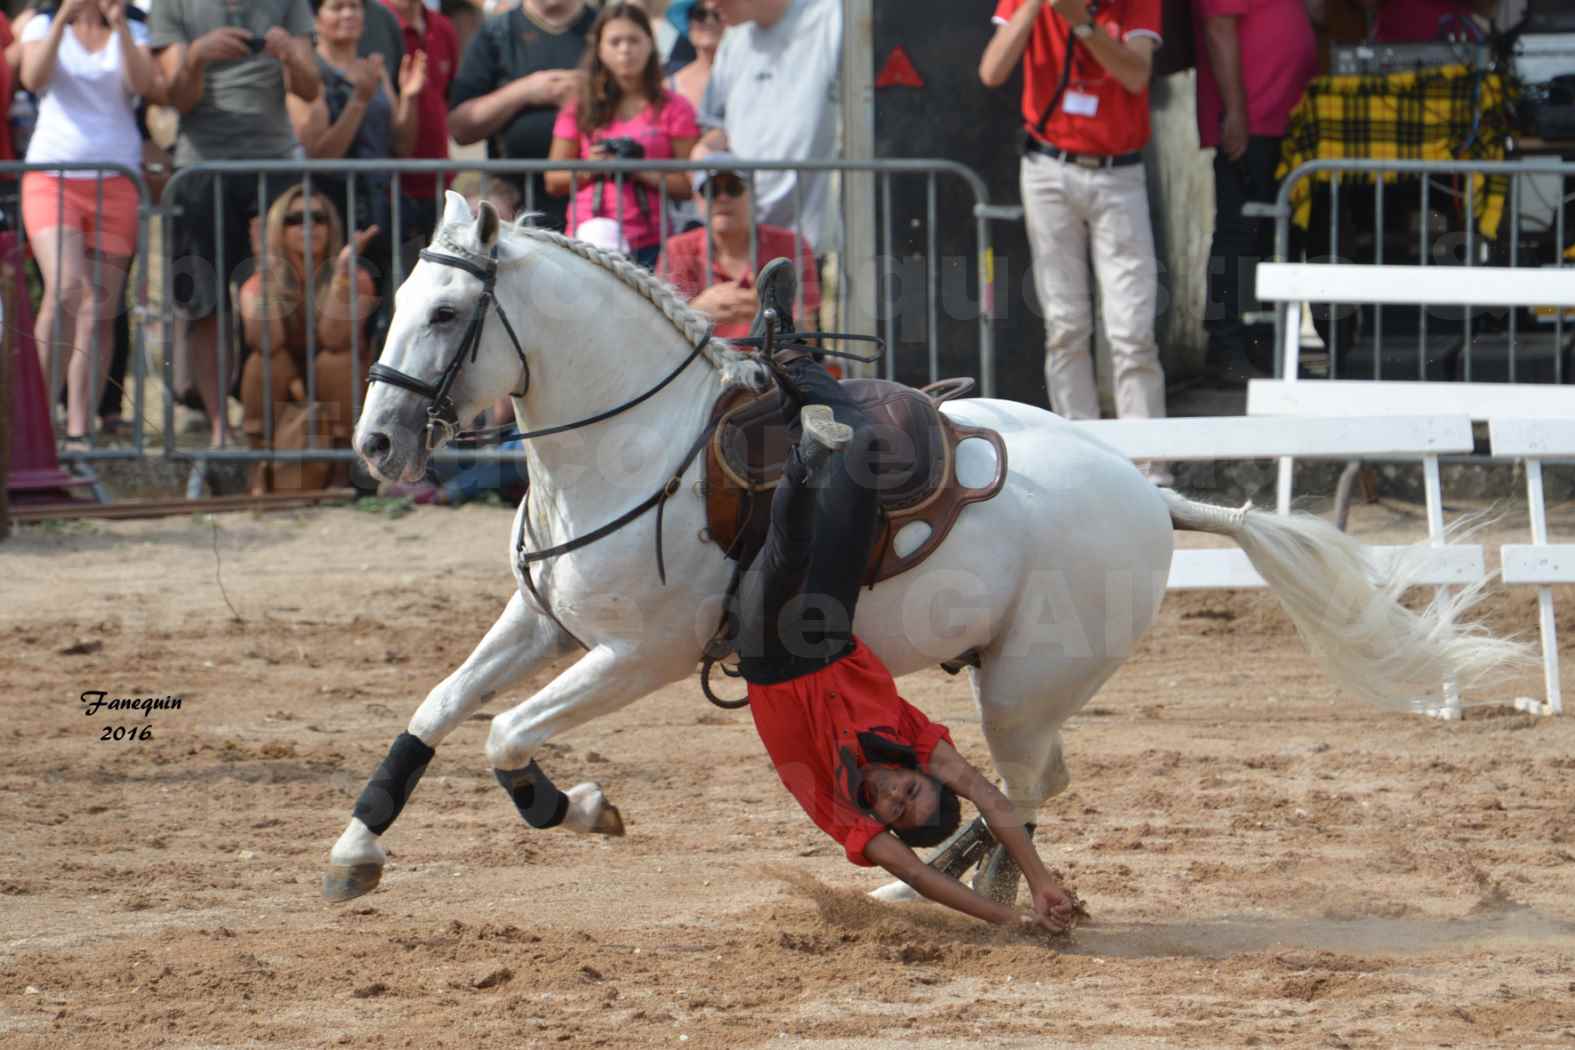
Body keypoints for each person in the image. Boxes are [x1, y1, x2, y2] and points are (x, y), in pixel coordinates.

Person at [728, 261, 1079, 935]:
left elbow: (918, 875)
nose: (890, 794)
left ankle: (804, 455)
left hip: (768, 656)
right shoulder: (917, 744)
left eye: (893, 809)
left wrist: (999, 924)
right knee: (864, 446)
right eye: (911, 792)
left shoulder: (843, 815)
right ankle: (787, 349)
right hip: (827, 634)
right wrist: (1038, 880)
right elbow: (986, 795)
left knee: (784, 552)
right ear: (928, 778)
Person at [979, 0, 1171, 487]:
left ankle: (1151, 470)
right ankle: (1083, 466)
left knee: (1132, 332)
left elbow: (1135, 74)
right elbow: (992, 71)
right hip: (1048, 169)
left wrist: (1081, 24)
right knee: (1065, 325)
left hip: (1117, 172)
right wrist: (1032, 8)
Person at [151, 0, 323, 450]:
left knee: (284, 299)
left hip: (275, 166)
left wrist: (291, 54)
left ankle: (274, 426)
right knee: (206, 306)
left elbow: (309, 89)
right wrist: (195, 55)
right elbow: (177, 98)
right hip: (200, 170)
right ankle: (217, 428)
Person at [20, 0, 163, 453]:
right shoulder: (42, 23)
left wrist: (119, 24)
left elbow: (144, 86)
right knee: (64, 289)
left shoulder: (136, 27)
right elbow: (33, 79)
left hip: (116, 179)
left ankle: (81, 427)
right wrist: (63, 18)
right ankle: (38, 426)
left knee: (100, 305)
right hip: (52, 176)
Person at [1194, 0, 1319, 384]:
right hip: (1251, 122)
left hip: (1284, 119)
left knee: (1267, 240)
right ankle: (1227, 348)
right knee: (1238, 237)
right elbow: (1219, 28)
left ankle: (1262, 347)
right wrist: (1236, 112)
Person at [237, 187, 380, 493]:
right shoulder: (256, 282)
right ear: (279, 228)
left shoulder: (356, 277)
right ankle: (258, 469)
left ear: (331, 227)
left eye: (319, 218)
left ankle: (343, 471)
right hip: (287, 384)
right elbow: (266, 341)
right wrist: (268, 277)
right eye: (295, 219)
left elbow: (335, 338)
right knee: (264, 363)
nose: (309, 226)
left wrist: (341, 274)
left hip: (336, 384)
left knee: (336, 360)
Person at [544, 2, 696, 267]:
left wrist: (639, 169)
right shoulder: (579, 107)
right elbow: (553, 180)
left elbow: (688, 185)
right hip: (588, 239)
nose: (625, 50)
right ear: (600, 49)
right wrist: (590, 168)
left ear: (650, 44)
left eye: (634, 40)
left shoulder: (675, 106)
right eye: (615, 42)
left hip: (652, 242)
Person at [695, 0, 841, 254]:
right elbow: (715, 123)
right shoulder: (732, 40)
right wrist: (705, 149)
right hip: (745, 246)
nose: (710, 4)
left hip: (812, 243)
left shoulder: (832, 19)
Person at [290, 0, 425, 254]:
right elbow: (320, 155)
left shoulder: (374, 69)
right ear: (316, 18)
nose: (349, 14)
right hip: (332, 210)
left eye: (355, 6)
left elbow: (402, 145)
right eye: (337, 7)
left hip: (384, 207)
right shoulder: (309, 75)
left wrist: (409, 97)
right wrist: (359, 101)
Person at [448, 0, 593, 231]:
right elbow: (460, 128)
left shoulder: (607, 30)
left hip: (593, 208)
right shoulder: (497, 33)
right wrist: (525, 91)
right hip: (514, 210)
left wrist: (592, 93)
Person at [657, 154, 818, 339]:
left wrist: (768, 314)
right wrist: (697, 312)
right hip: (703, 365)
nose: (723, 198)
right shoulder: (676, 249)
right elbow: (662, 334)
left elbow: (809, 336)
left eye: (733, 188)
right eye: (711, 190)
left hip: (773, 365)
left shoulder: (792, 246)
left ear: (752, 195)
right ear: (697, 200)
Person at [382, 0, 460, 258]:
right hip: (390, 188)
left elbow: (447, 97)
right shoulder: (376, 21)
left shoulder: (443, 27)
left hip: (438, 183)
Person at [665, 0, 720, 112]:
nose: (709, 21)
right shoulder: (668, 87)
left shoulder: (748, 78)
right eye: (699, 14)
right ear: (688, 23)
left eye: (717, 14)